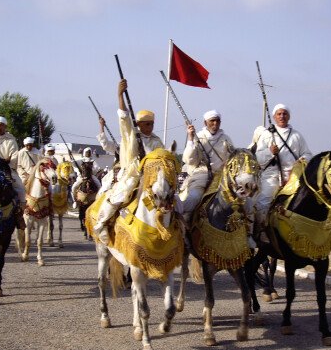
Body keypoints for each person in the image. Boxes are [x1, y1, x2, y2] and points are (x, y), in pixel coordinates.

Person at [92, 78, 164, 234]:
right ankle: (102, 223)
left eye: (152, 123)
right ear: (138, 124)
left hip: (153, 179)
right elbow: (124, 117)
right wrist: (120, 96)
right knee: (118, 197)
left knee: (173, 201)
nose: (150, 127)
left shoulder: (157, 141)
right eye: (146, 124)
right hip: (132, 175)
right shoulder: (130, 134)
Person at [251, 104, 312, 240]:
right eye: (279, 114)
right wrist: (270, 152)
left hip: (293, 175)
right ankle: (261, 232)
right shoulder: (267, 135)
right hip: (272, 174)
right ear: (274, 117)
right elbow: (259, 159)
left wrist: (301, 160)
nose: (282, 116)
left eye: (284, 114)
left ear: (288, 116)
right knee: (263, 201)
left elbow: (308, 154)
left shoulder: (297, 135)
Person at [177, 110, 236, 223]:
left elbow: (232, 158)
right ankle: (184, 226)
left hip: (222, 177)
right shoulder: (198, 137)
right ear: (205, 123)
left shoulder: (226, 139)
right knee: (193, 198)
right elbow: (189, 160)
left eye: (217, 121)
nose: (215, 124)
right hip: (202, 174)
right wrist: (190, 138)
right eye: (212, 121)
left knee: (243, 201)